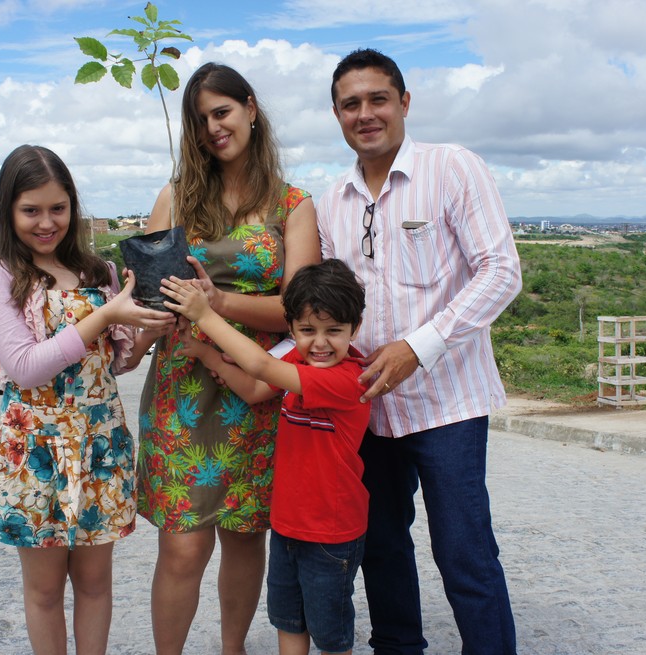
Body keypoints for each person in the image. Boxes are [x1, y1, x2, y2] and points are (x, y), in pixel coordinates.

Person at [315, 49, 522, 654]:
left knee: (465, 550)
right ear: (336, 114)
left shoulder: (452, 168)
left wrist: (418, 346)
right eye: (351, 104)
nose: (365, 113)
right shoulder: (333, 204)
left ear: (404, 102)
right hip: (370, 406)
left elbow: (500, 272)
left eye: (378, 99)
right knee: (380, 546)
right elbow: (330, 308)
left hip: (449, 399)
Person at [135, 62, 321, 654]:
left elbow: (303, 311)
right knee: (183, 544)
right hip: (182, 388)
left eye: (222, 112)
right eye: (201, 120)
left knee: (245, 536)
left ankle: (232, 649)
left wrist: (219, 302)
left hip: (254, 389)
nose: (214, 128)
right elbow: (147, 294)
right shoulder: (175, 197)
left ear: (250, 109)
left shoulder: (293, 204)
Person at [0, 144, 176, 654]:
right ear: (7, 211)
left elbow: (115, 363)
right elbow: (24, 367)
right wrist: (105, 317)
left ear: (73, 206)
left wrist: (153, 326)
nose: (46, 222)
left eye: (57, 208)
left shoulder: (99, 273)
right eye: (30, 210)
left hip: (99, 445)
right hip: (35, 452)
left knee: (95, 584)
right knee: (44, 592)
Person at [161, 258, 371, 655]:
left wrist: (205, 314)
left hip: (331, 532)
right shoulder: (298, 361)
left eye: (334, 331)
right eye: (307, 330)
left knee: (331, 635)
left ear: (355, 329)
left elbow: (259, 364)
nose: (320, 343)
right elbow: (256, 389)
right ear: (291, 329)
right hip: (288, 525)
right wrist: (206, 356)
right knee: (288, 621)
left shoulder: (346, 379)